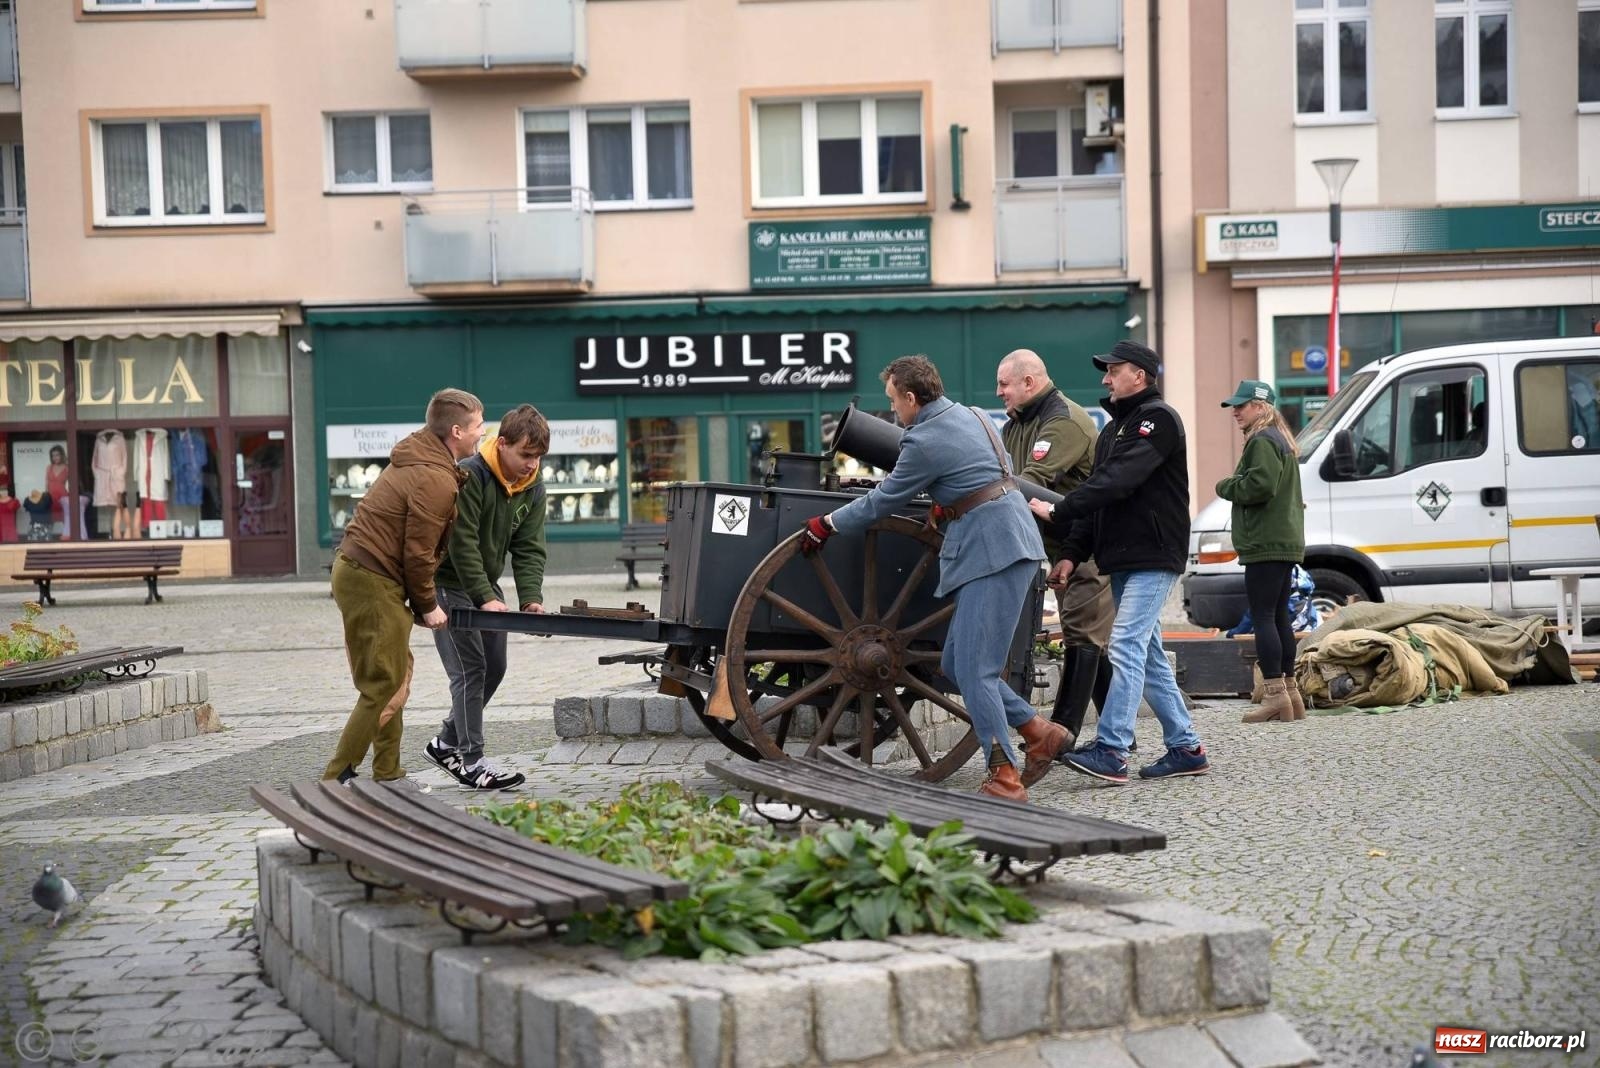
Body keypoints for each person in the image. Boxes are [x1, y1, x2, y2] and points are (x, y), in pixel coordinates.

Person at [798, 355, 1069, 802]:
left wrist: (827, 522)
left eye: (894, 402)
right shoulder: (974, 415)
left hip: (993, 551)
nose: (893, 413)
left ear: (911, 397)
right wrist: (949, 502)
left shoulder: (922, 440)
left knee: (977, 673)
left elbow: (882, 501)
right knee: (954, 666)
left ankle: (1005, 776)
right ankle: (1039, 732)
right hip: (1005, 539)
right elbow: (985, 475)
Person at [1028, 340, 1209, 784]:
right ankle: (1186, 747)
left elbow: (1117, 481)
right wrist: (1071, 554)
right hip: (1124, 557)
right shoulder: (1113, 431)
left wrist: (1058, 510)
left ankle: (1112, 749)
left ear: (1140, 376)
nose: (1105, 379)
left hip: (1153, 552)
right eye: (1106, 371)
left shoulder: (1158, 421)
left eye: (1114, 370)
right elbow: (1101, 500)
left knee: (1125, 644)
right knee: (1146, 655)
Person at [322, 388, 485, 785]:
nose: (484, 433)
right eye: (480, 426)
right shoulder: (434, 478)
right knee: (382, 682)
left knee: (393, 674)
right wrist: (428, 604)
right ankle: (335, 779)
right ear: (458, 431)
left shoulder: (425, 457)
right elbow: (417, 553)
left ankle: (388, 774)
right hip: (372, 577)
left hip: (366, 572)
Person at [423, 404, 551, 791]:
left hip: (483, 584)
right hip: (448, 582)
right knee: (470, 670)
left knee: (494, 666)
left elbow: (529, 548)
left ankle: (445, 742)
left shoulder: (533, 488)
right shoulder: (472, 475)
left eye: (539, 456)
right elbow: (461, 544)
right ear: (503, 444)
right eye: (525, 455)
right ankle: (472, 761)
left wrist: (530, 599)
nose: (532, 464)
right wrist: (482, 597)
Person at [996, 349, 1116, 743]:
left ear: (1028, 382)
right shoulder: (1016, 425)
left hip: (1086, 545)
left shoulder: (1063, 421)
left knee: (1083, 636)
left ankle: (1060, 736)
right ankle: (1121, 732)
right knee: (1089, 640)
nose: (999, 393)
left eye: (1004, 384)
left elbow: (1030, 482)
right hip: (1061, 548)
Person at [1216, 379, 1307, 723]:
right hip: (1285, 539)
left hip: (1266, 542)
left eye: (1242, 405)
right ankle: (1291, 695)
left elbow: (1259, 485)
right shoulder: (1282, 440)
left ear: (1261, 407)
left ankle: (1273, 696)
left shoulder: (1262, 441)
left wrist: (1225, 485)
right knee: (1279, 615)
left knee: (1264, 616)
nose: (1236, 411)